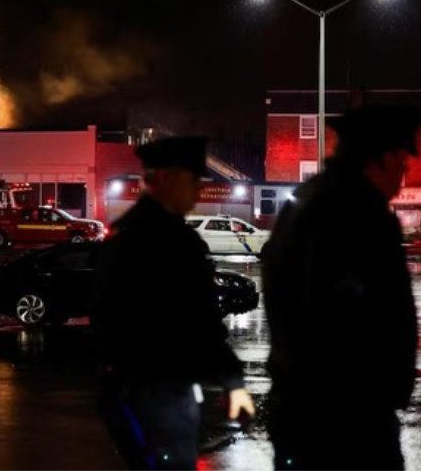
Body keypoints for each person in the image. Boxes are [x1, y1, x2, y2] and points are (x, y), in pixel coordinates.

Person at [262, 104, 421, 470]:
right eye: (400, 159)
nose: (404, 171)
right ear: (379, 158)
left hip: (299, 407)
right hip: (348, 419)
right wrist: (386, 388)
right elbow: (360, 314)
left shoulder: (304, 202)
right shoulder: (360, 214)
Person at [89, 135, 255, 471]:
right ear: (166, 178)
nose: (199, 191)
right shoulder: (173, 243)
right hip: (161, 391)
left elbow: (103, 317)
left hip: (129, 389)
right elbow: (198, 320)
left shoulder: (125, 236)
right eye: (194, 180)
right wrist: (232, 381)